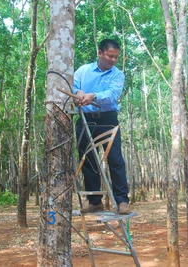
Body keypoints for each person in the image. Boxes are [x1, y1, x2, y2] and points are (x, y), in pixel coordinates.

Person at [73, 39, 130, 215]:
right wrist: (80, 94)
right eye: (109, 56)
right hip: (85, 120)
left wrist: (93, 96)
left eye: (116, 57)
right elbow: (74, 88)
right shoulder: (83, 71)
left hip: (108, 119)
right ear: (99, 53)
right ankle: (95, 201)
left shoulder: (117, 74)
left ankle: (122, 201)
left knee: (115, 159)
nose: (113, 60)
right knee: (88, 160)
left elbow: (113, 95)